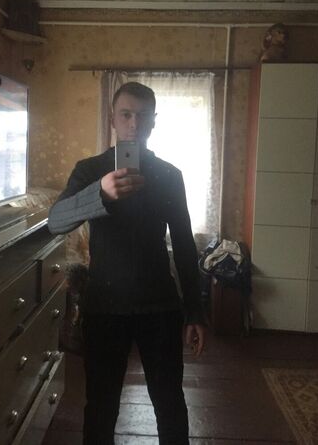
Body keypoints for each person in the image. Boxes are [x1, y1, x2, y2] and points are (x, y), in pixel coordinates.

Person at [48, 82, 205, 445]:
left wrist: (195, 312)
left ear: (154, 121)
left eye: (143, 115)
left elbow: (184, 244)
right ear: (113, 120)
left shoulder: (169, 175)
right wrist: (100, 193)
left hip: (160, 307)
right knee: (101, 407)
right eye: (126, 114)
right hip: (105, 307)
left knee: (169, 403)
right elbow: (56, 222)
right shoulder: (90, 170)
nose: (135, 123)